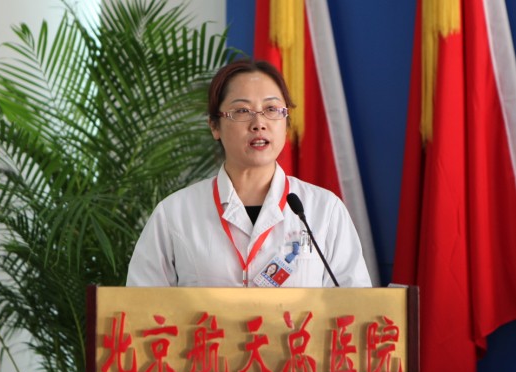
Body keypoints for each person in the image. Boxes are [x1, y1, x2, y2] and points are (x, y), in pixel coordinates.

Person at [126, 59, 372, 288]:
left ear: (286, 122)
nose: (259, 123)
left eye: (272, 109)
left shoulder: (324, 210)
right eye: (242, 111)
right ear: (214, 126)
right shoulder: (174, 213)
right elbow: (142, 307)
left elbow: (354, 304)